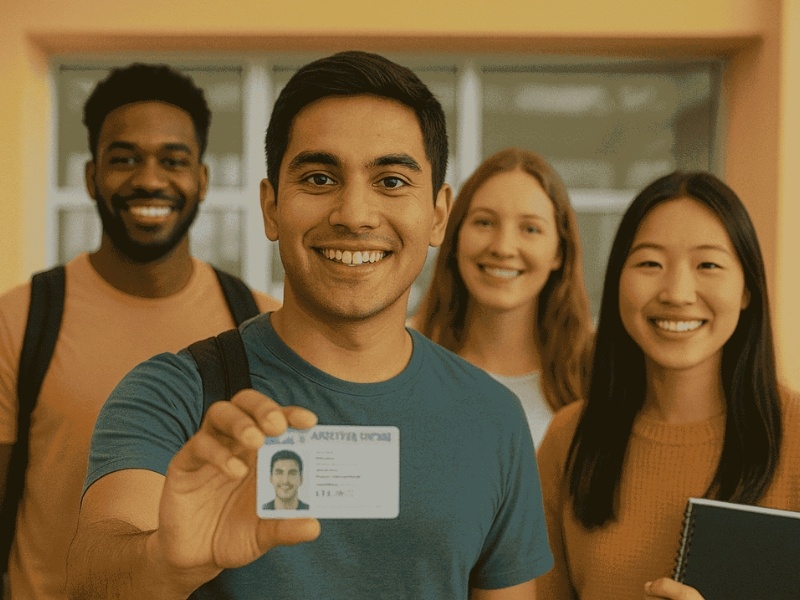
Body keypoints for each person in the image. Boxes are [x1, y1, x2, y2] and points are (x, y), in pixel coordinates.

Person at [66, 50, 554, 600]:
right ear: (271, 206)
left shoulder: (492, 417)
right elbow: (90, 577)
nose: (354, 214)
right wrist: (166, 562)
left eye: (392, 181)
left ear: (439, 214)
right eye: (320, 178)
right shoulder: (173, 394)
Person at [0, 63, 280, 600]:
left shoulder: (260, 324)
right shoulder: (21, 321)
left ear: (202, 179)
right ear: (90, 176)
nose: (149, 180)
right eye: (124, 159)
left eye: (173, 160)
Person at [535, 171, 800, 600]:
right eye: (650, 264)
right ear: (617, 281)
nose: (677, 293)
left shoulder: (796, 435)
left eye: (708, 265)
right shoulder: (568, 438)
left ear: (747, 289)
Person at [412, 147, 593, 446]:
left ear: (559, 252)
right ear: (455, 237)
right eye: (484, 222)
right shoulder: (399, 354)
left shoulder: (598, 370)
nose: (503, 247)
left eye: (530, 229)